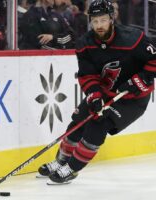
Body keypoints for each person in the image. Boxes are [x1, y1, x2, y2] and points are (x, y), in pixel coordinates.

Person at [37, 0, 156, 184]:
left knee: (98, 125)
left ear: (111, 18)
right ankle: (59, 162)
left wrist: (139, 80)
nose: (99, 25)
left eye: (103, 20)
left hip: (132, 99)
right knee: (77, 123)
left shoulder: (134, 38)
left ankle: (72, 168)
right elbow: (87, 75)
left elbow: (153, 61)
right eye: (95, 21)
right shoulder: (85, 43)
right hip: (105, 92)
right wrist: (94, 96)